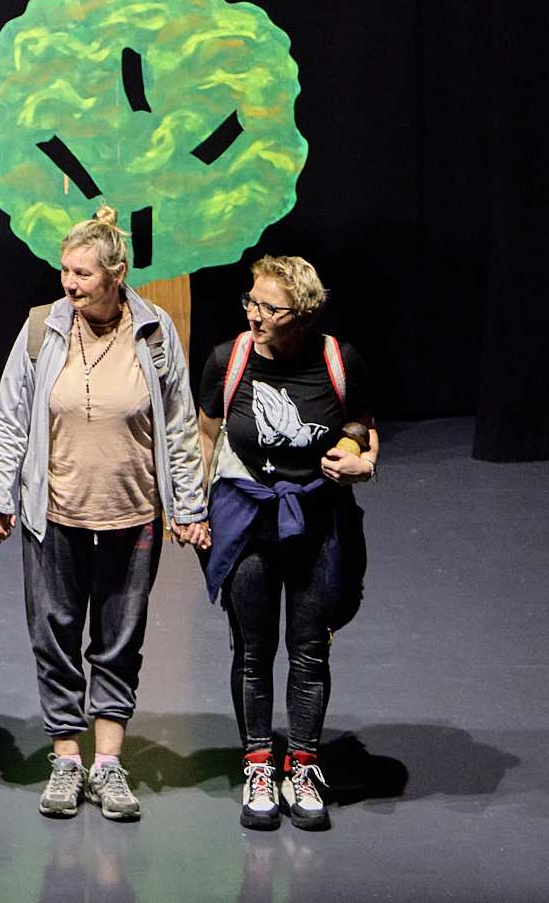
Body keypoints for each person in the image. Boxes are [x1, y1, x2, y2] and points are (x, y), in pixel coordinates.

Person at [0, 204, 209, 823]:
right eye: (65, 271)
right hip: (54, 514)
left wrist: (188, 506)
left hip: (132, 513)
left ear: (116, 274)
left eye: (83, 273)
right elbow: (10, 420)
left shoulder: (154, 332)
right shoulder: (41, 328)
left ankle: (107, 763)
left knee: (119, 639)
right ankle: (65, 759)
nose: (70, 284)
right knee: (54, 636)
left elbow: (179, 425)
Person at [197, 255, 376, 832]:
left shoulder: (338, 360)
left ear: (301, 315)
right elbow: (205, 434)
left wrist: (363, 460)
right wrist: (195, 509)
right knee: (253, 652)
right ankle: (257, 765)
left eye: (269, 308)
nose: (254, 314)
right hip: (249, 522)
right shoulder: (227, 360)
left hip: (319, 523)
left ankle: (302, 765)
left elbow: (362, 424)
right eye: (251, 301)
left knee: (309, 650)